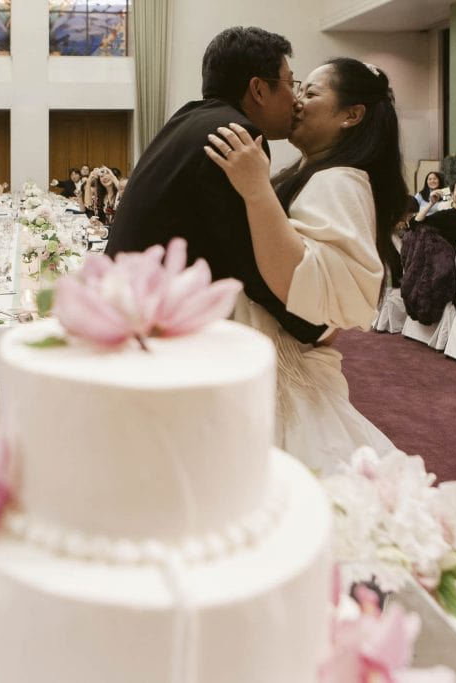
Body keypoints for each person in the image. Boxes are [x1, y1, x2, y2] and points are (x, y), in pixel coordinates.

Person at [202, 56, 405, 468]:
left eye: (310, 93)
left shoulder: (340, 180)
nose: (296, 101)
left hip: (284, 366)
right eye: (297, 89)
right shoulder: (314, 172)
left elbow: (304, 286)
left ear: (351, 115)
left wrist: (256, 190)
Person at [107, 26, 327, 346]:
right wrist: (316, 328)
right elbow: (251, 259)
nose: (295, 99)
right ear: (259, 90)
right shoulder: (236, 135)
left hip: (126, 299)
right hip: (149, 326)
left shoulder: (187, 119)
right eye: (290, 83)